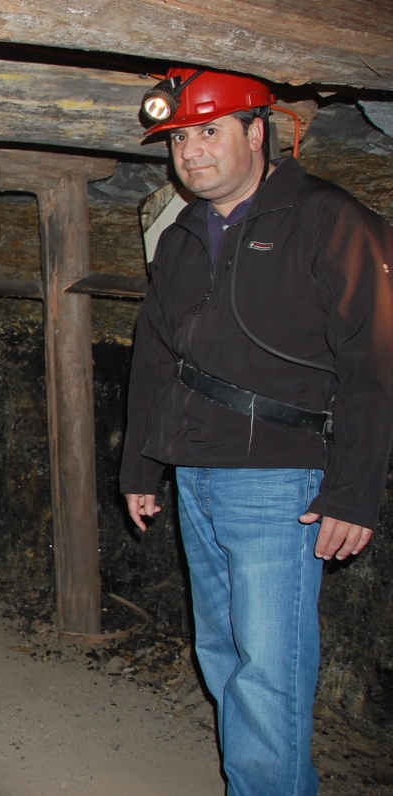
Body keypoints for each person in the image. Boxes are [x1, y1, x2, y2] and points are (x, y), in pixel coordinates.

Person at [120, 67, 393, 794]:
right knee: (223, 657)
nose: (191, 152)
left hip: (280, 480)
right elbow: (155, 354)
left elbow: (375, 359)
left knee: (269, 672)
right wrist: (141, 468)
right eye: (178, 138)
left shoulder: (326, 219)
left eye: (209, 131)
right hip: (195, 475)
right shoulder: (179, 236)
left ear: (257, 131)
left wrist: (355, 492)